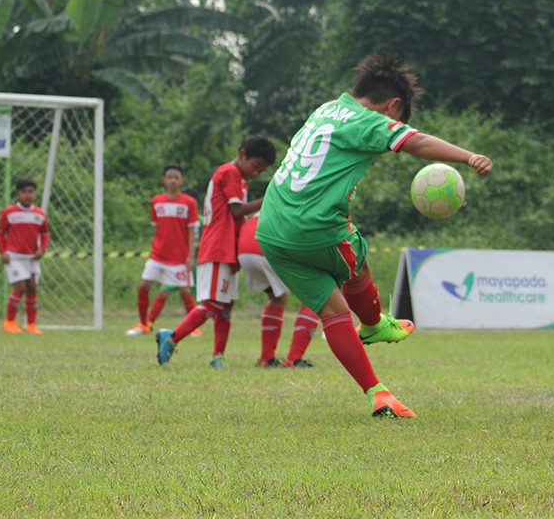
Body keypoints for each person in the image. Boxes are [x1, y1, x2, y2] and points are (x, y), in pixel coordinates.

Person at [256, 52, 492, 418]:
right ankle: (373, 324)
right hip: (313, 224)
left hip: (270, 229)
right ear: (393, 106)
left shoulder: (326, 109)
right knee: (357, 259)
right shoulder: (368, 121)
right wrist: (468, 156)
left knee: (333, 311)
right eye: (397, 119)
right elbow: (417, 143)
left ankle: (378, 393)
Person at [155, 136, 277, 368]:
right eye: (255, 166)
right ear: (242, 154)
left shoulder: (240, 179)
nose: (256, 173)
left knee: (226, 307)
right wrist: (269, 198)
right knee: (213, 304)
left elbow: (238, 218)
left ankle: (217, 356)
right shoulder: (229, 172)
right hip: (217, 247)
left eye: (262, 170)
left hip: (229, 249)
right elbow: (237, 210)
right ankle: (171, 337)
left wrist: (239, 250)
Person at [127, 165, 200, 336]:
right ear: (164, 180)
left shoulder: (189, 203)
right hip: (158, 255)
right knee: (144, 285)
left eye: (176, 177)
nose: (173, 181)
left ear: (181, 181)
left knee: (184, 291)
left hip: (179, 257)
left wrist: (190, 255)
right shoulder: (156, 201)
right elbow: (158, 229)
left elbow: (191, 230)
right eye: (169, 177)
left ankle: (194, 327)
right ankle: (143, 324)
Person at [239, 214, 320, 368]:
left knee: (278, 298)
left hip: (245, 248)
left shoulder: (276, 192)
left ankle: (266, 359)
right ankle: (294, 360)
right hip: (266, 244)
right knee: (314, 296)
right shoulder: (304, 194)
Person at [0, 178, 50, 334]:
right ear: (18, 194)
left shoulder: (39, 214)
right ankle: (9, 322)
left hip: (31, 257)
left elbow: (45, 233)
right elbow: (0, 232)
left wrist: (42, 249)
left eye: (31, 192)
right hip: (14, 256)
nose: (27, 195)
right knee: (20, 288)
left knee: (32, 288)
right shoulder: (10, 212)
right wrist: (3, 252)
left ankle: (31, 325)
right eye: (24, 192)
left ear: (35, 194)